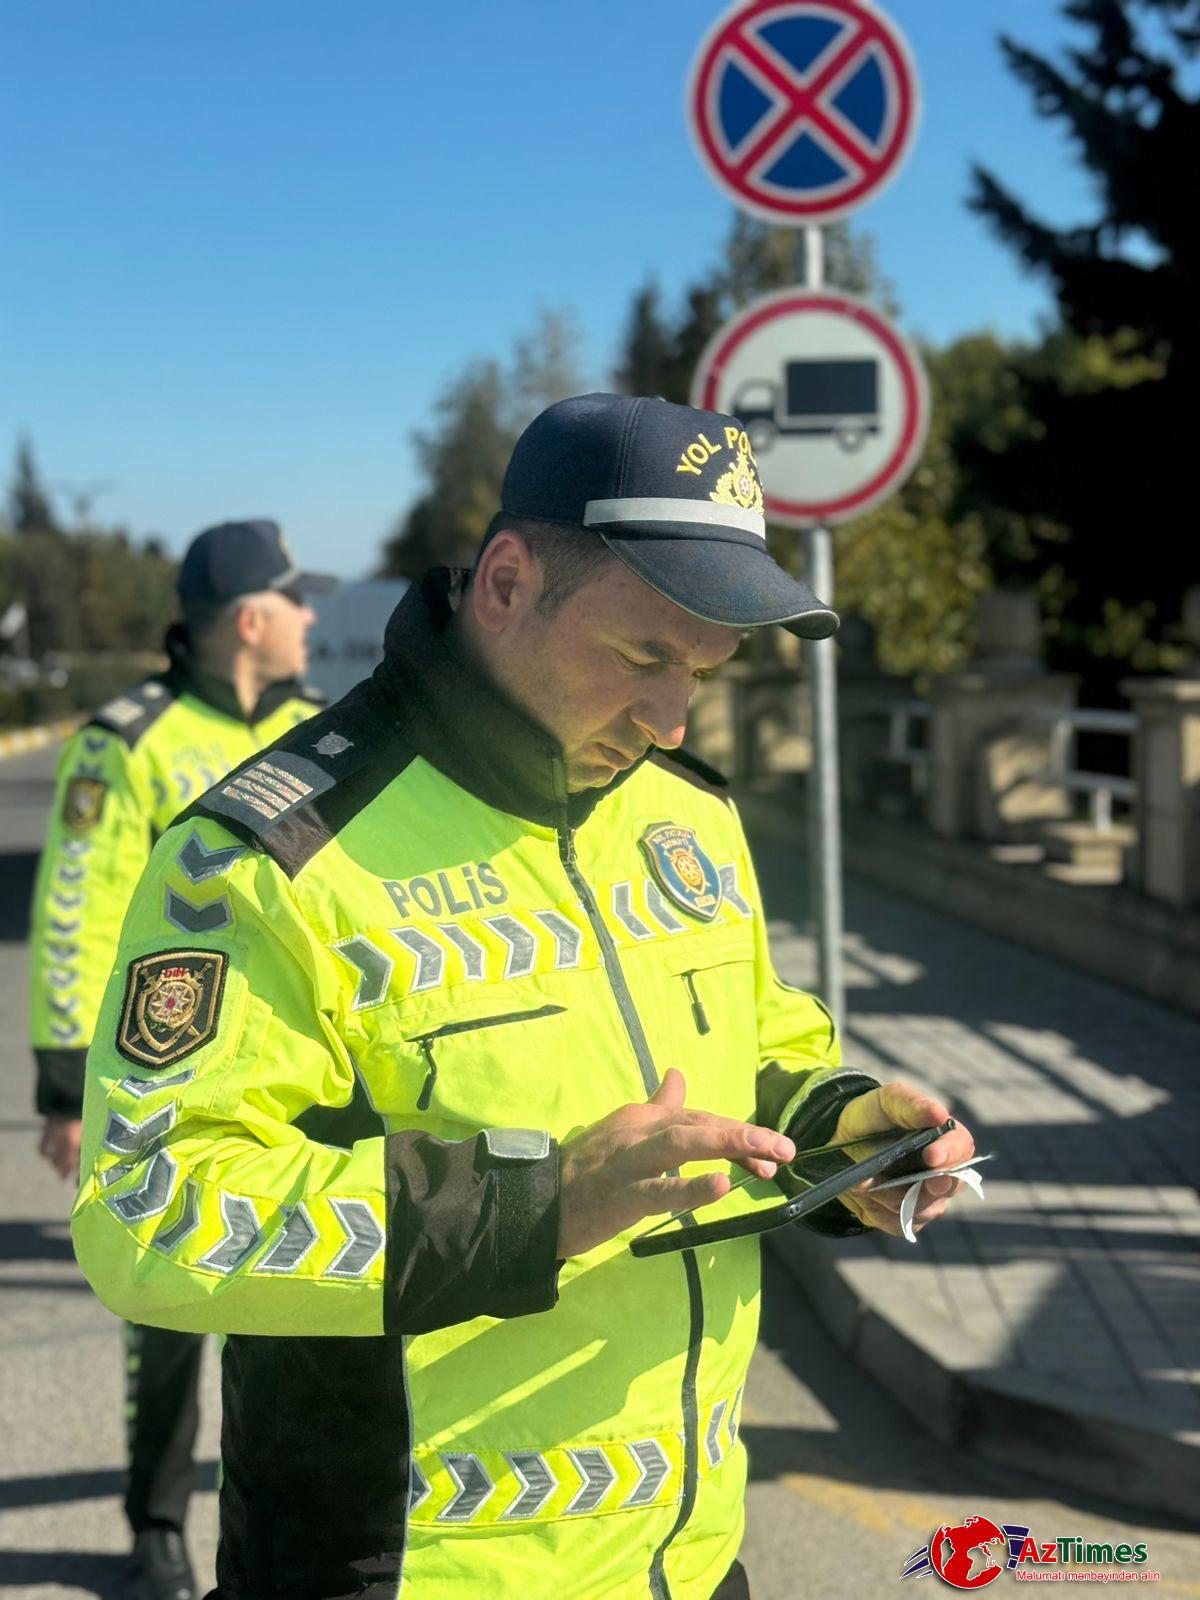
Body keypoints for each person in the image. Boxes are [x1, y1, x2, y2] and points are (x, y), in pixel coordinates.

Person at [71, 396, 975, 1600]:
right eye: (643, 656)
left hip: (690, 1562)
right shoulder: (266, 853)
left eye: (706, 671)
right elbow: (149, 1209)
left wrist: (838, 1128)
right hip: (406, 1571)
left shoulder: (688, 814)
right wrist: (538, 1208)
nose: (670, 718)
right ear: (506, 580)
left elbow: (755, 1050)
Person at [31, 518, 334, 1600]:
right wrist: (67, 1087)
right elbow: (75, 910)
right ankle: (155, 1524)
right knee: (166, 1307)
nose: (314, 620)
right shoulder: (125, 740)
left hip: (307, 1078)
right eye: (301, 602)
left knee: (306, 1310)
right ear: (251, 620)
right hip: (164, 1077)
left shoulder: (329, 732)